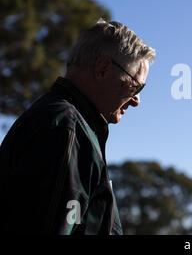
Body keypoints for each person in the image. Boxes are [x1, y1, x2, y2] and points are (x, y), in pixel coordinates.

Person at [0, 19, 156, 234]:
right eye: (136, 87)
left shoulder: (69, 124)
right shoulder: (66, 127)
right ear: (102, 69)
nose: (137, 100)